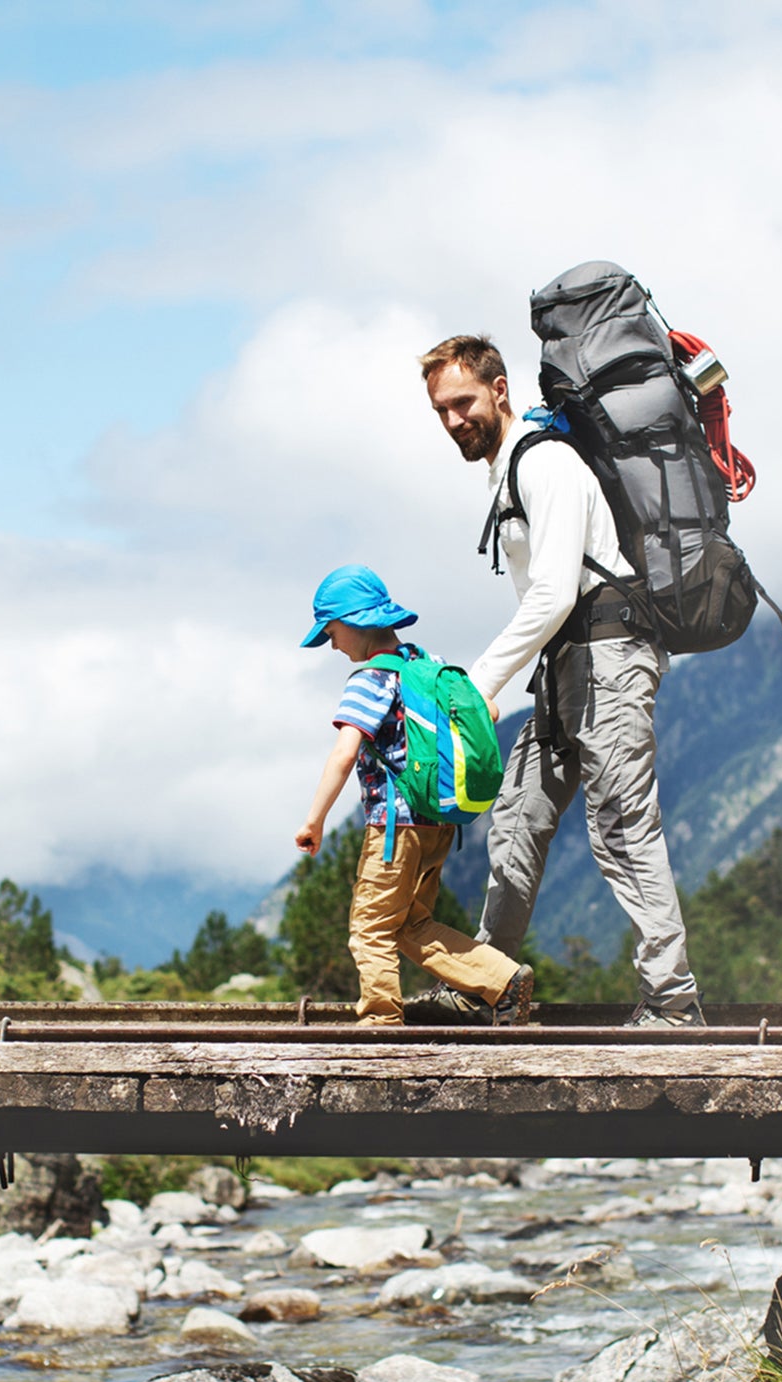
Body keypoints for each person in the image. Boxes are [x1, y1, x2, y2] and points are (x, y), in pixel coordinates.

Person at [419, 335, 705, 1027]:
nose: (455, 420)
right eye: (441, 410)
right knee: (517, 818)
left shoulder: (544, 462)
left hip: (608, 658)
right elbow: (550, 604)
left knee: (621, 825)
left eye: (463, 402)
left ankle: (672, 1004)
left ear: (499, 390)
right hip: (565, 664)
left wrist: (477, 685)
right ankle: (487, 983)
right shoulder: (512, 469)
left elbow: (551, 593)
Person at [294, 564, 535, 1027]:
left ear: (353, 622)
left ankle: (380, 1023)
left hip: (394, 827)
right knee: (411, 925)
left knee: (370, 926)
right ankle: (503, 980)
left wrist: (314, 820)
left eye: (331, 632)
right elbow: (488, 709)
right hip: (436, 823)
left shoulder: (370, 681)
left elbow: (344, 754)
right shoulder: (424, 668)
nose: (332, 643)